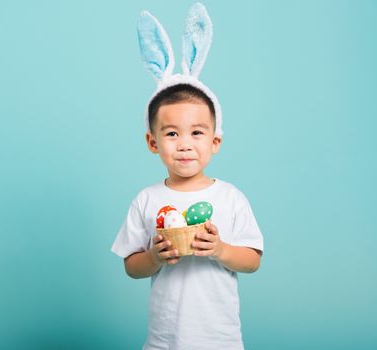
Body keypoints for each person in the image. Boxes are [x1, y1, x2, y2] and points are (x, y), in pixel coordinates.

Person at [111, 4, 264, 349]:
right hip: (165, 340)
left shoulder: (230, 198)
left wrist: (221, 250)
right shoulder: (147, 200)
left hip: (219, 339)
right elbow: (131, 266)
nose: (184, 145)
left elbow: (252, 260)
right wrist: (154, 257)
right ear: (153, 142)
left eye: (196, 133)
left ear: (215, 142)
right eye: (171, 134)